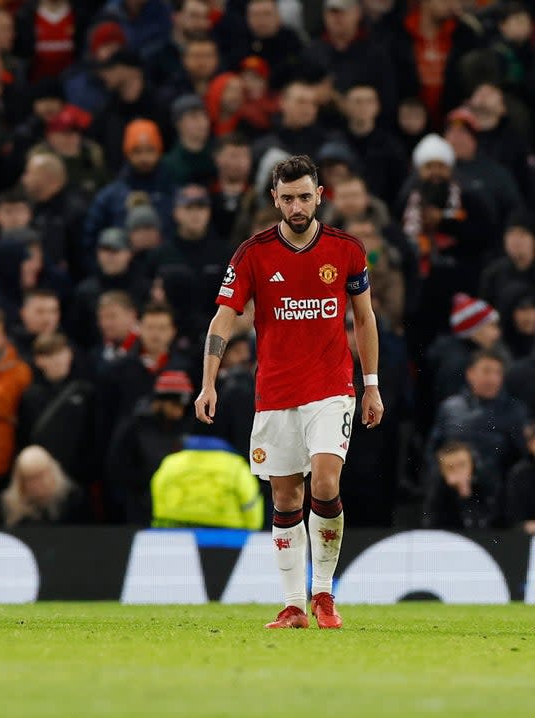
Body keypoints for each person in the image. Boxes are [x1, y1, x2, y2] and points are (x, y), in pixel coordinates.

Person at [195, 155, 384, 630]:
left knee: (324, 482)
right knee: (284, 498)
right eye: (287, 197)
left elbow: (364, 319)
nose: (296, 205)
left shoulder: (347, 250)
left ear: (320, 195)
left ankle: (324, 594)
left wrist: (371, 387)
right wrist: (208, 382)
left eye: (304, 195)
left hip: (331, 387)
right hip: (276, 392)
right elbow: (223, 317)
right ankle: (293, 604)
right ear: (274, 199)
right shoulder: (253, 253)